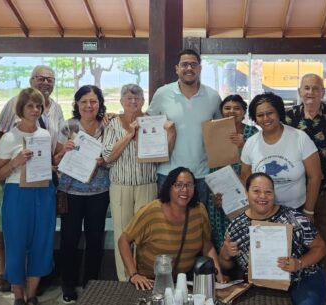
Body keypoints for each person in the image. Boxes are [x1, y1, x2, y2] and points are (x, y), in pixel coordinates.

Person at [0, 65, 66, 292]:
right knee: (15, 242)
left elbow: (55, 150)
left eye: (38, 106)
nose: (34, 110)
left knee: (42, 242)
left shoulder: (45, 135)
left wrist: (59, 160)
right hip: (17, 192)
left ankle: (32, 293)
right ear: (20, 108)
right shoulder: (8, 137)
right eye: (30, 106)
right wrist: (15, 162)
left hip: (44, 191)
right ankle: (17, 293)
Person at [218, 173, 326, 305]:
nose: (263, 196)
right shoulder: (236, 227)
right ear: (246, 193)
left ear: (274, 194)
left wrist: (299, 263)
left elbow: (320, 248)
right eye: (256, 191)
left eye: (268, 192)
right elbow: (226, 265)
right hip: (261, 285)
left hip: (303, 278)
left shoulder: (294, 219)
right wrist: (225, 253)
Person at [284, 73, 326, 303]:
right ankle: (293, 281)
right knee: (295, 239)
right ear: (300, 92)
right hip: (296, 190)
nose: (310, 92)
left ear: (323, 92)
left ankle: (323, 283)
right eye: (306, 88)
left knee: (324, 239)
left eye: (315, 88)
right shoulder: (289, 117)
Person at [118, 167, 227, 290]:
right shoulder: (151, 211)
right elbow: (123, 240)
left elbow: (207, 245)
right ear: (169, 187)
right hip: (151, 283)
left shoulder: (199, 211)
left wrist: (218, 275)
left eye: (189, 185)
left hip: (185, 282)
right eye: (178, 185)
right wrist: (134, 274)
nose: (184, 190)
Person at [101, 84, 166, 281]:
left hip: (146, 184)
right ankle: (125, 279)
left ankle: (144, 277)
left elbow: (161, 155)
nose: (132, 102)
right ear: (121, 101)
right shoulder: (112, 124)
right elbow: (108, 156)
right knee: (123, 233)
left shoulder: (152, 122)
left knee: (145, 236)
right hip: (120, 185)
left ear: (143, 102)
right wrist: (129, 134)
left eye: (137, 98)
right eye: (128, 98)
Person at [58, 85, 111, 303]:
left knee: (95, 239)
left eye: (93, 101)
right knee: (69, 238)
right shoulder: (68, 126)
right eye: (84, 102)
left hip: (99, 192)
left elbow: (113, 156)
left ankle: (92, 283)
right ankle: (68, 284)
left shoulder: (108, 126)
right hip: (71, 192)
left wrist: (104, 161)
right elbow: (54, 160)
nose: (89, 106)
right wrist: (65, 150)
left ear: (99, 103)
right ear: (77, 104)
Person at [147, 48, 220, 205]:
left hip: (201, 174)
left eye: (194, 65)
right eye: (184, 64)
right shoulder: (162, 93)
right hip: (167, 173)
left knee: (198, 222)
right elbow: (148, 123)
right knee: (167, 222)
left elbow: (221, 131)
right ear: (177, 68)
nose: (189, 68)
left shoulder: (213, 96)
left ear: (200, 69)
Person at [240, 92, 322, 211]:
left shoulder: (300, 138)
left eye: (270, 113)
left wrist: (309, 210)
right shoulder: (251, 143)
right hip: (262, 210)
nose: (266, 118)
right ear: (255, 119)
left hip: (296, 209)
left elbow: (315, 176)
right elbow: (245, 177)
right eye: (260, 115)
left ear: (279, 113)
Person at [206, 95, 257, 252]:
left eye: (237, 108)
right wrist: (213, 192)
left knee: (245, 235)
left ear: (244, 112)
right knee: (221, 237)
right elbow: (211, 165)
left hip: (245, 194)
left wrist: (245, 144)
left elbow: (259, 160)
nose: (232, 111)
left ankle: (244, 272)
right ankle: (223, 273)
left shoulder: (252, 132)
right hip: (220, 194)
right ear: (221, 111)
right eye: (227, 108)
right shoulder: (213, 131)